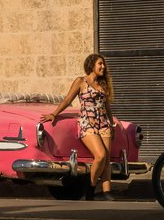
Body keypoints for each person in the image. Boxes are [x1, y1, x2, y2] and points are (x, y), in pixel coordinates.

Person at [42, 54, 117, 201]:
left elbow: (106, 106)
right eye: (100, 64)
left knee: (107, 159)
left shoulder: (103, 84)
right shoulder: (81, 82)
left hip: (104, 123)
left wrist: (111, 123)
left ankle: (107, 192)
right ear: (91, 65)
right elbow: (68, 99)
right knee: (100, 155)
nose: (103, 67)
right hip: (87, 123)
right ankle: (91, 188)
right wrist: (54, 114)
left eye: (104, 64)